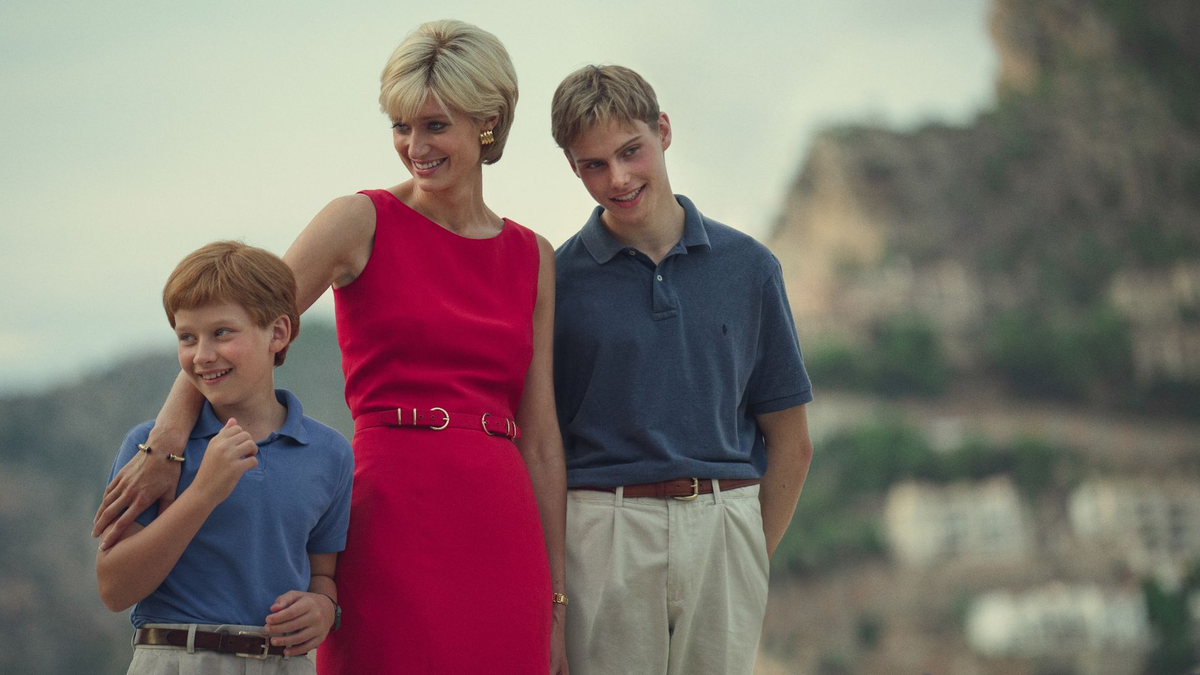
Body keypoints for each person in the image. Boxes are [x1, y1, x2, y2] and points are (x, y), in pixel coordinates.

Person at [93, 20, 568, 674]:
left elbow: (541, 438)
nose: (413, 146)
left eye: (435, 125)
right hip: (392, 512)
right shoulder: (359, 220)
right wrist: (168, 439)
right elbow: (241, 324)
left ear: (487, 122)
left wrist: (558, 600)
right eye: (400, 126)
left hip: (502, 526)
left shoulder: (534, 256)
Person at [549, 64, 815, 675]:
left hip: (726, 525)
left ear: (663, 131)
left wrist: (745, 549)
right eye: (593, 164)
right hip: (602, 533)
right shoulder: (555, 282)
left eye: (630, 151)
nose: (617, 178)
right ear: (573, 167)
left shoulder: (750, 268)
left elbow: (791, 442)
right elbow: (544, 443)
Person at [96, 240, 354, 674]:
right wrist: (203, 494)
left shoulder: (329, 454)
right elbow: (115, 589)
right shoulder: (151, 451)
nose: (202, 355)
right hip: (174, 659)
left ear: (278, 333)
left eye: (221, 333)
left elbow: (322, 573)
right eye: (187, 337)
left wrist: (323, 608)